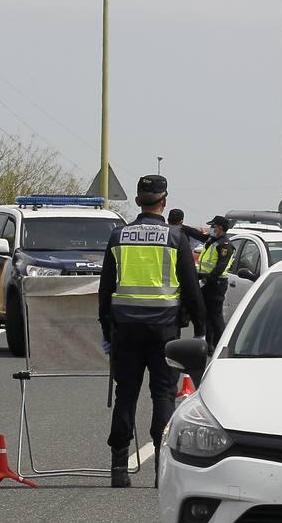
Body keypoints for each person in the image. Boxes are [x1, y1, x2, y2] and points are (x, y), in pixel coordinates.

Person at [98, 175, 205, 488]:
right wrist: (199, 330)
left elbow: (105, 290)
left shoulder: (119, 236)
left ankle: (119, 468)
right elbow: (191, 288)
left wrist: (107, 330)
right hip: (165, 331)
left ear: (137, 201)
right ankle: (162, 469)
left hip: (125, 329)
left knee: (126, 394)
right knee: (163, 395)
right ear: (165, 201)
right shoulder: (175, 238)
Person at [197, 215, 235, 348]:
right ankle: (209, 345)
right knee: (207, 315)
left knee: (215, 316)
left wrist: (207, 279)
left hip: (216, 283)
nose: (211, 229)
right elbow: (197, 235)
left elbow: (221, 266)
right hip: (209, 282)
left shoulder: (225, 245)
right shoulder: (213, 241)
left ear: (220, 228)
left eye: (213, 227)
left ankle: (221, 345)